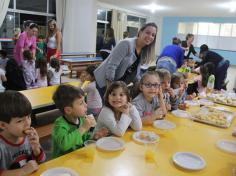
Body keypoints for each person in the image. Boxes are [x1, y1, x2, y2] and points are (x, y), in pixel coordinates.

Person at [94, 23, 158, 99]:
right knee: (107, 108)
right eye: (147, 32)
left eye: (153, 35)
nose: (150, 36)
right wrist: (111, 89)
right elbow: (111, 66)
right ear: (140, 32)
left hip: (118, 83)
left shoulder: (144, 50)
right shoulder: (126, 44)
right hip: (106, 81)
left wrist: (144, 85)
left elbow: (135, 73)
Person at [52, 85, 108, 158]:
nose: (86, 105)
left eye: (85, 101)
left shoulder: (81, 119)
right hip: (62, 161)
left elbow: (83, 139)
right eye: (81, 103)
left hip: (77, 157)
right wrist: (83, 128)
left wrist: (94, 137)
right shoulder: (59, 124)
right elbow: (64, 145)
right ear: (68, 110)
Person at [0, 91, 46, 175]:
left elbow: (41, 161)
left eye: (28, 116)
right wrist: (23, 171)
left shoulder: (29, 137)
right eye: (20, 121)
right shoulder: (2, 146)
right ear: (3, 125)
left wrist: (36, 149)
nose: (27, 123)